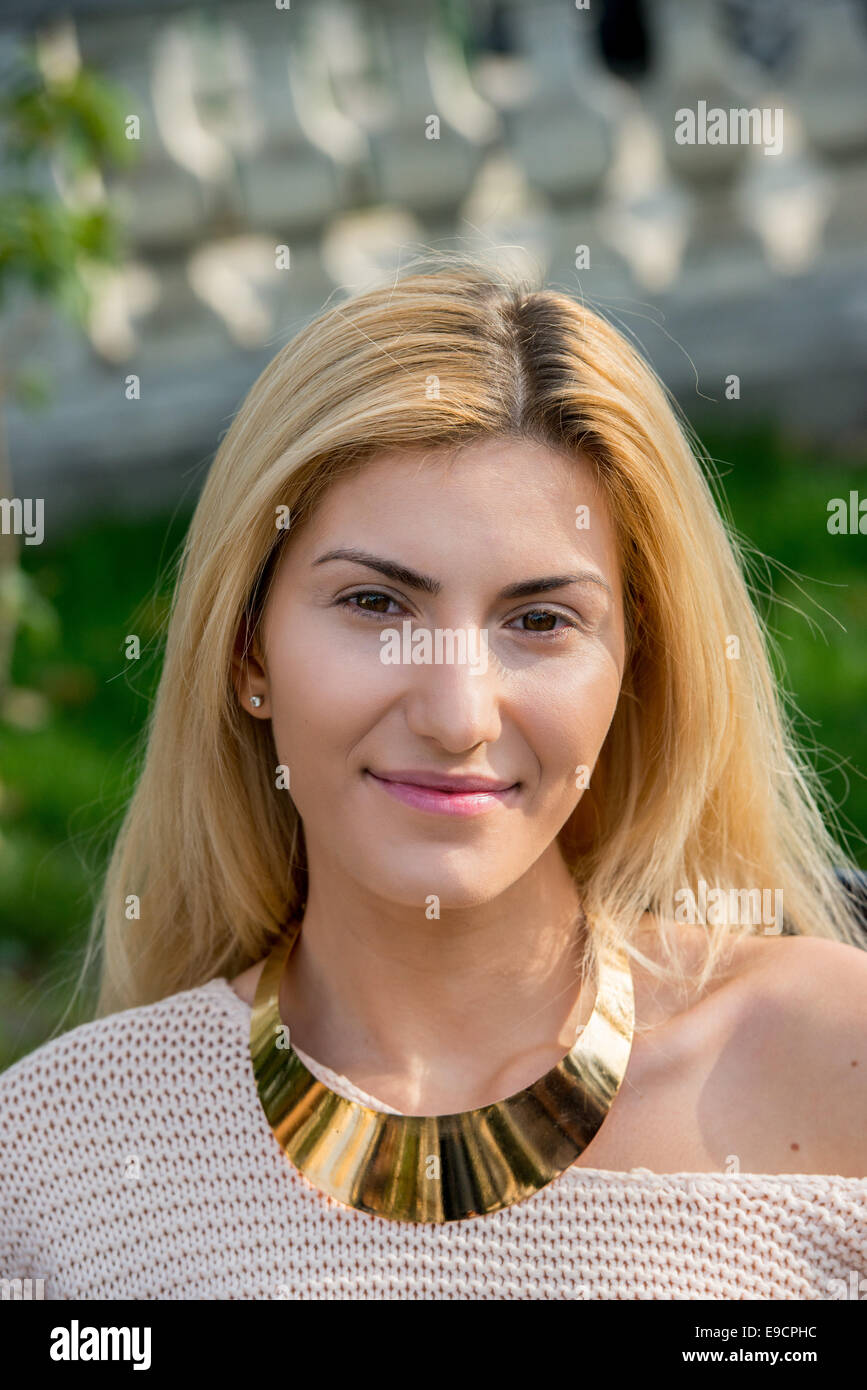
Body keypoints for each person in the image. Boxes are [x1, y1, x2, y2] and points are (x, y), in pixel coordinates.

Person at [1, 261, 865, 1299]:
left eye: (540, 621)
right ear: (249, 651)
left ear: (636, 663)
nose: (457, 714)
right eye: (374, 604)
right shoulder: (57, 1166)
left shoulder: (835, 1068)